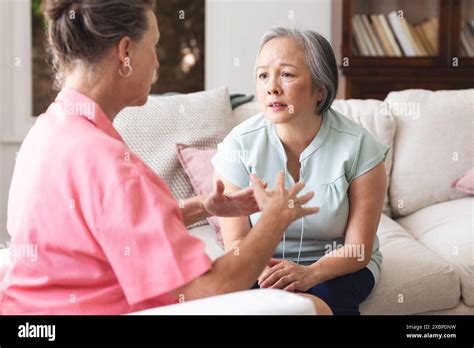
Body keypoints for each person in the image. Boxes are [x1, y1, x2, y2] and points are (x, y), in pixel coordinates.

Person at [0, 1, 330, 315]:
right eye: (154, 46)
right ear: (125, 52)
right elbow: (211, 287)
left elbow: (109, 224)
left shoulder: (51, 128)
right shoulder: (108, 163)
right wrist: (273, 220)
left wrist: (204, 206)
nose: (157, 62)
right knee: (313, 308)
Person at [212, 27, 390, 315]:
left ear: (320, 89)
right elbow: (236, 243)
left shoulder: (359, 146)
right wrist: (266, 273)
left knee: (320, 301)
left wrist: (310, 273)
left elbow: (358, 250)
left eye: (287, 74)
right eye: (263, 75)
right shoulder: (238, 144)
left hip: (337, 265)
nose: (272, 87)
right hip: (260, 264)